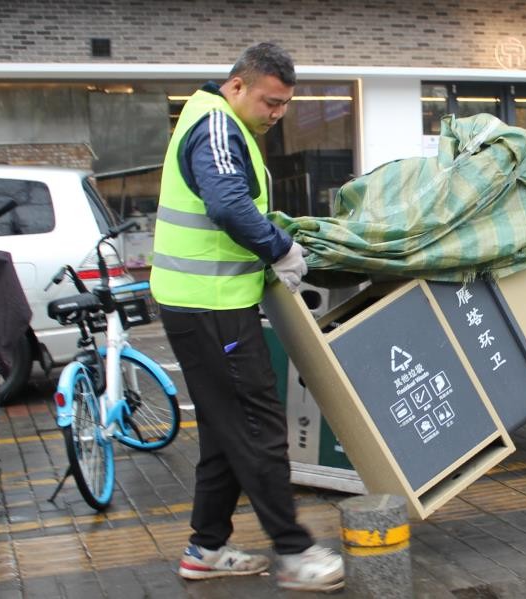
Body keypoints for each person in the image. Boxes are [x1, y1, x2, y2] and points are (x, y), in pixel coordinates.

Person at [149, 42, 344, 592]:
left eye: (285, 105)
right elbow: (229, 204)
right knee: (258, 427)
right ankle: (293, 551)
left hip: (206, 304)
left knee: (223, 431)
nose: (277, 114)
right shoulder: (214, 125)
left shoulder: (214, 121)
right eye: (271, 102)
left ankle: (205, 548)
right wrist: (279, 249)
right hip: (212, 310)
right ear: (237, 86)